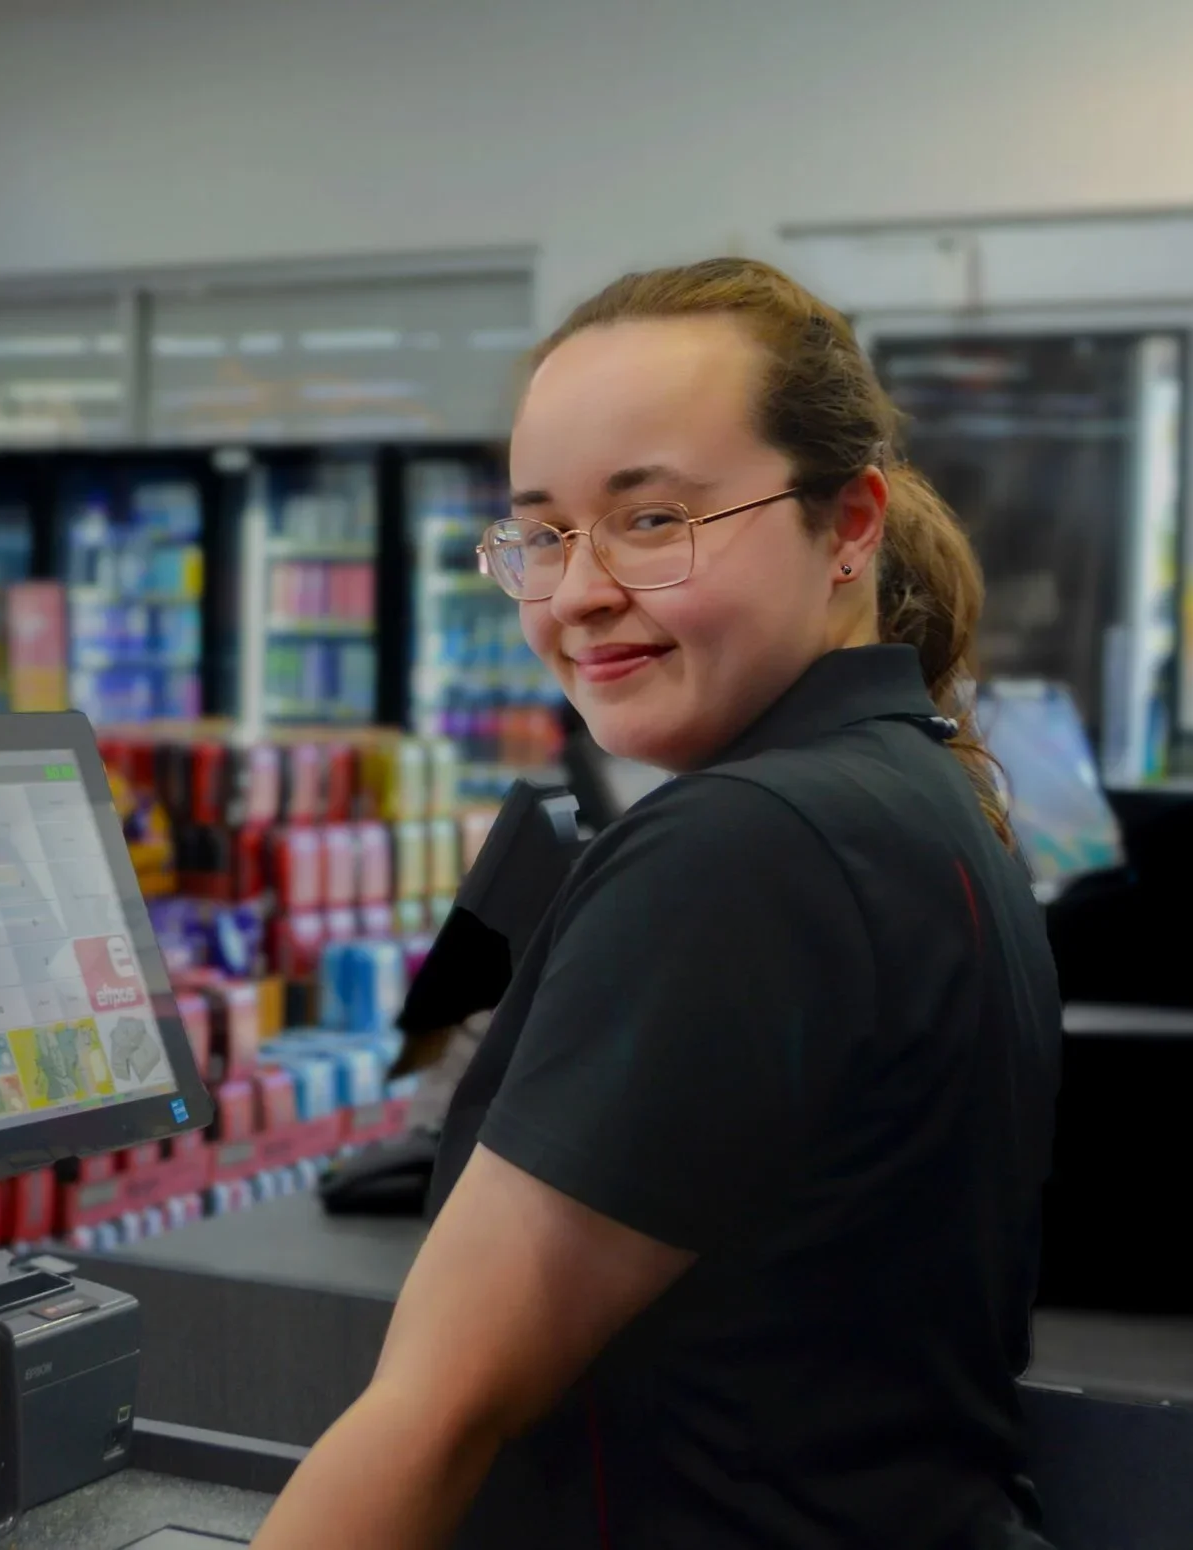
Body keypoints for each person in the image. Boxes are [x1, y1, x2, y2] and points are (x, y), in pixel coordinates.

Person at [250, 258, 1061, 1550]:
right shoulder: (919, 793)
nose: (576, 591)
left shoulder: (740, 847)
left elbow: (436, 1413)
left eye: (654, 519)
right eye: (542, 531)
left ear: (850, 525)